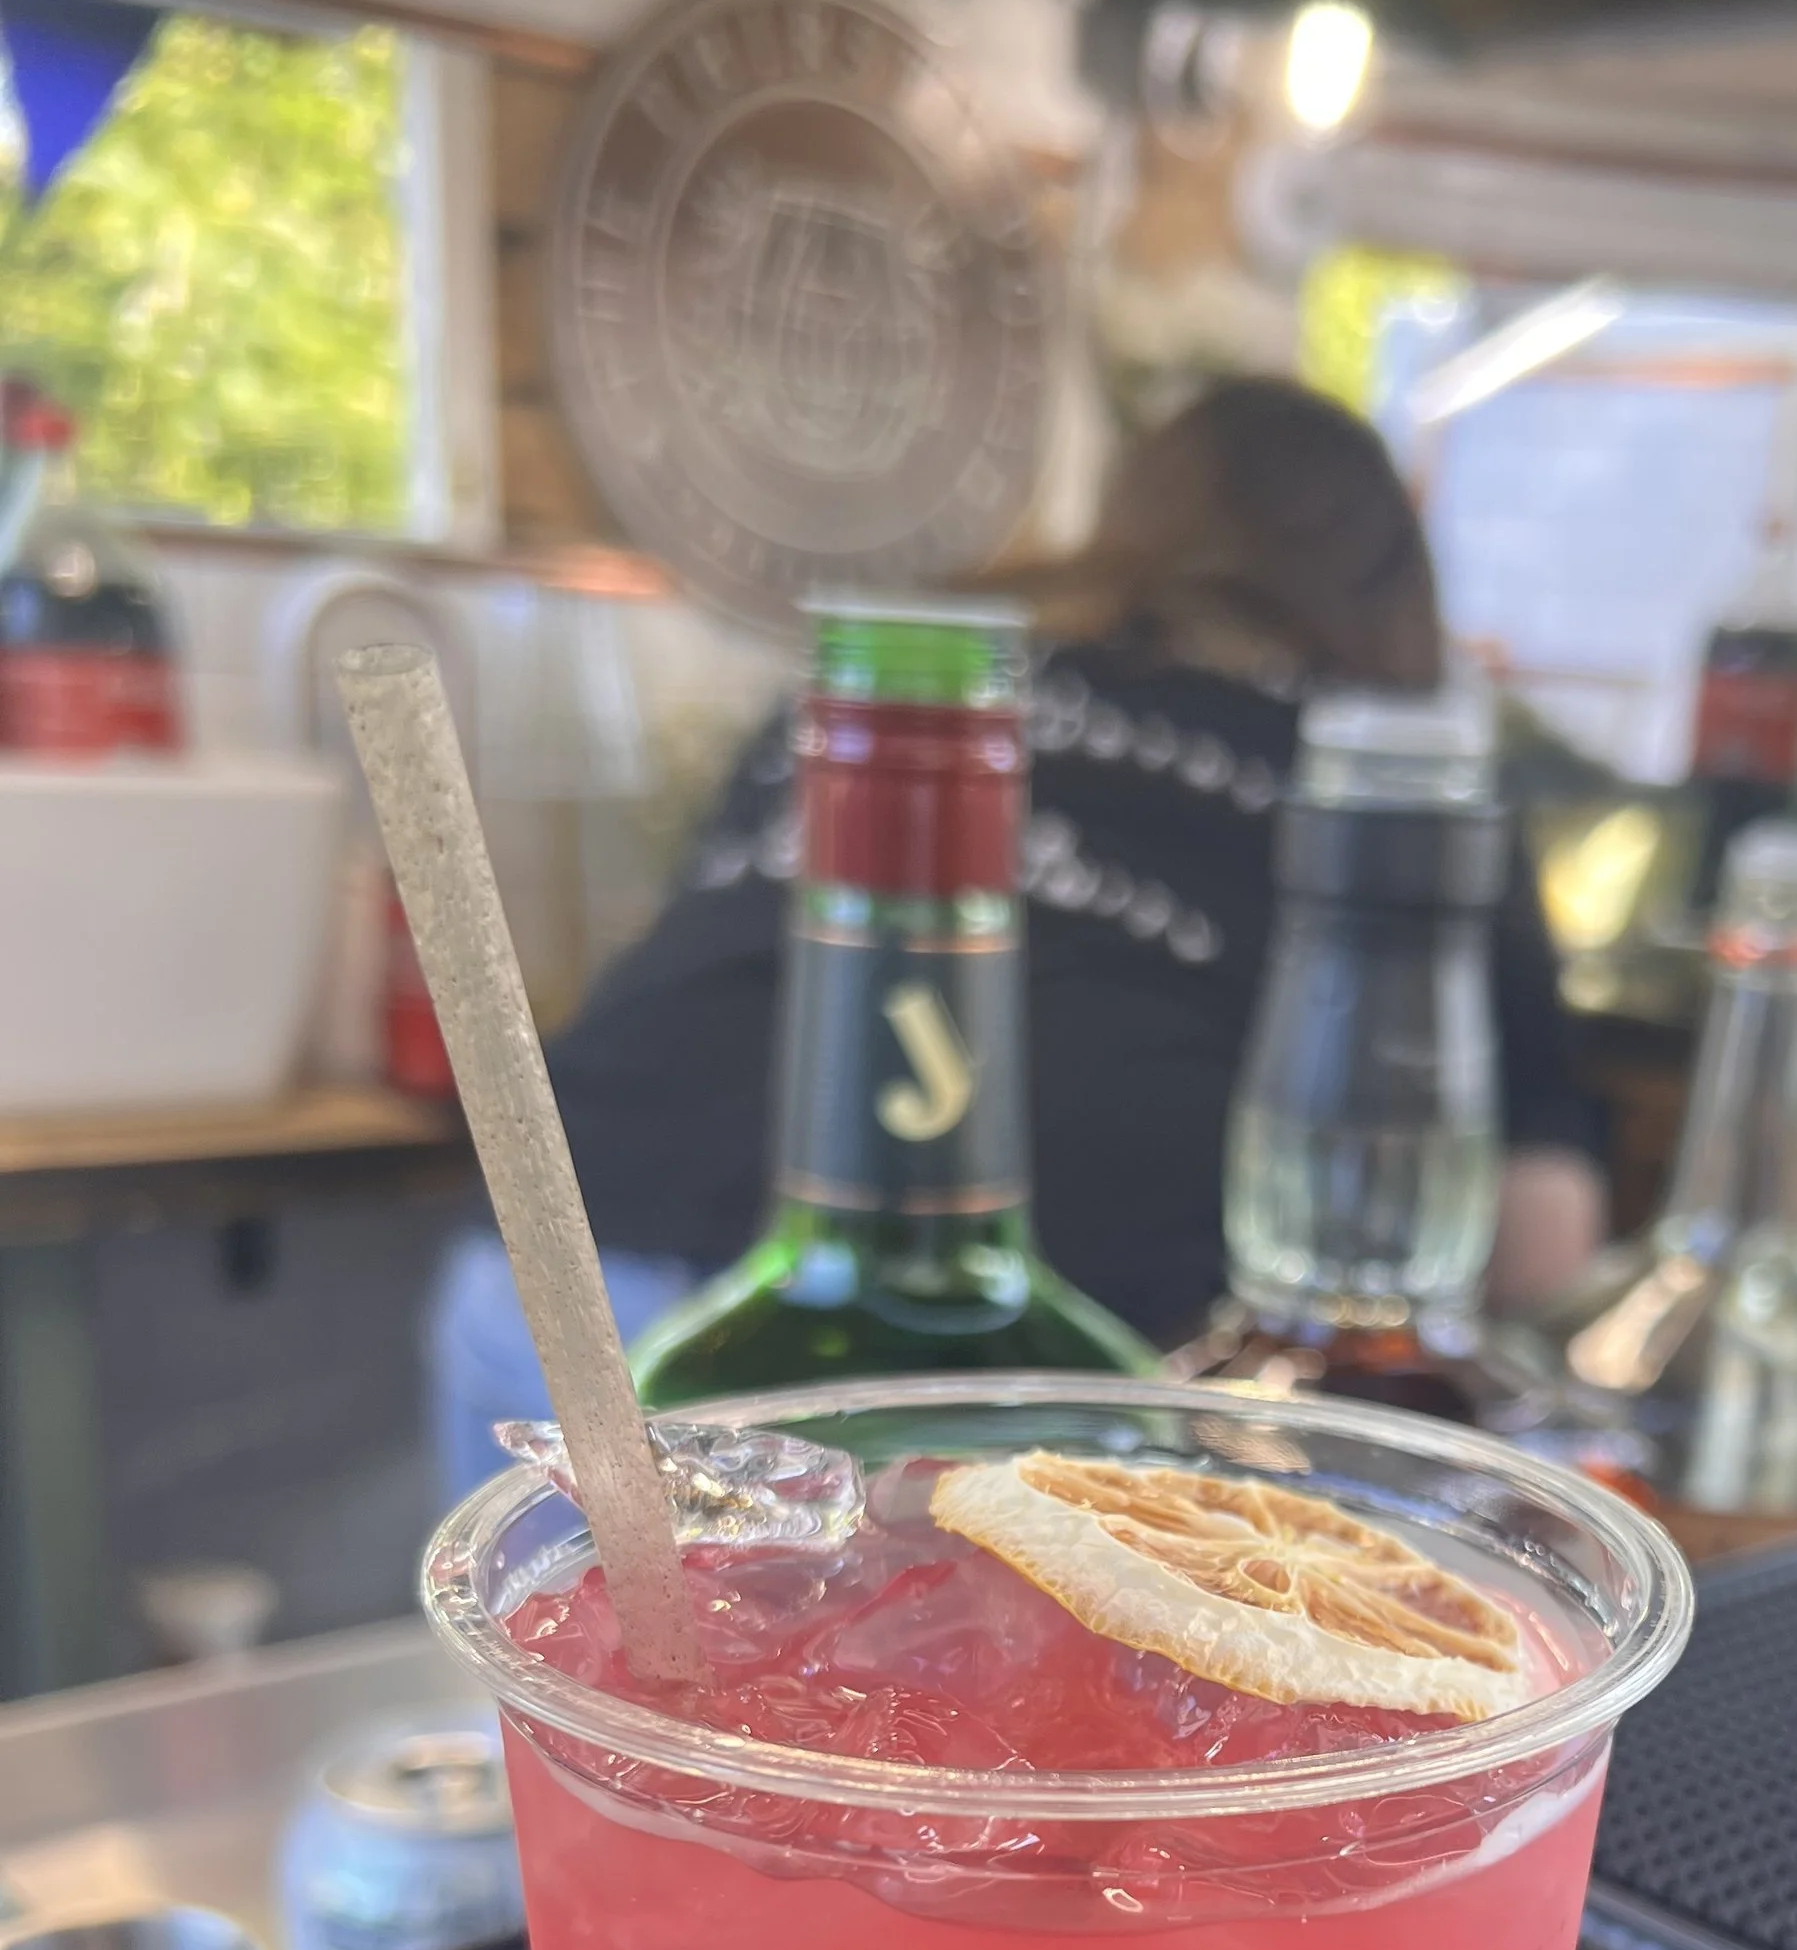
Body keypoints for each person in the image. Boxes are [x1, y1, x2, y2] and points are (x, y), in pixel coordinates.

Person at [428, 377, 1606, 1493]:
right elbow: (1542, 1242)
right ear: (1393, 580)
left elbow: (716, 946)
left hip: (567, 1273)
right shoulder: (1389, 785)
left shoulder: (903, 691)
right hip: (1043, 1360)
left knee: (590, 1688)